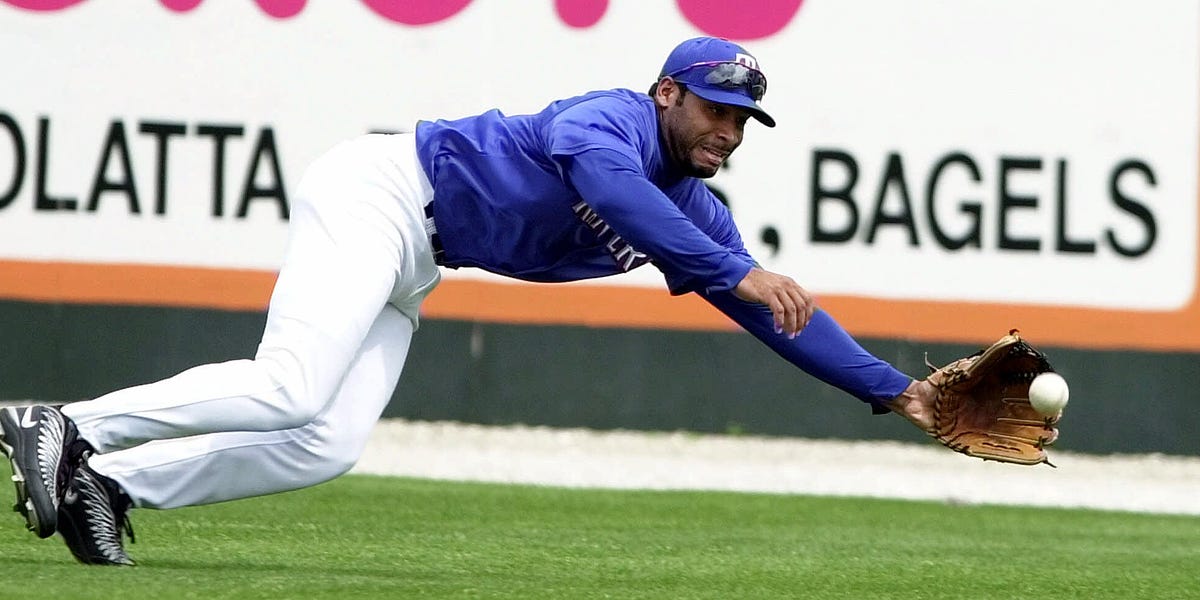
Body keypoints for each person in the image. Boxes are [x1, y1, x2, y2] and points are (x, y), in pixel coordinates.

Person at [1, 36, 950, 566]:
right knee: (292, 388)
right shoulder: (609, 118)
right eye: (713, 108)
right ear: (667, 93)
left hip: (420, 254)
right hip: (382, 191)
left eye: (743, 120)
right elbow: (610, 189)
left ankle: (113, 484)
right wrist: (732, 267)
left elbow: (772, 312)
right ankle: (65, 423)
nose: (728, 132)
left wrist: (894, 392)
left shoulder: (695, 208)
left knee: (324, 442)